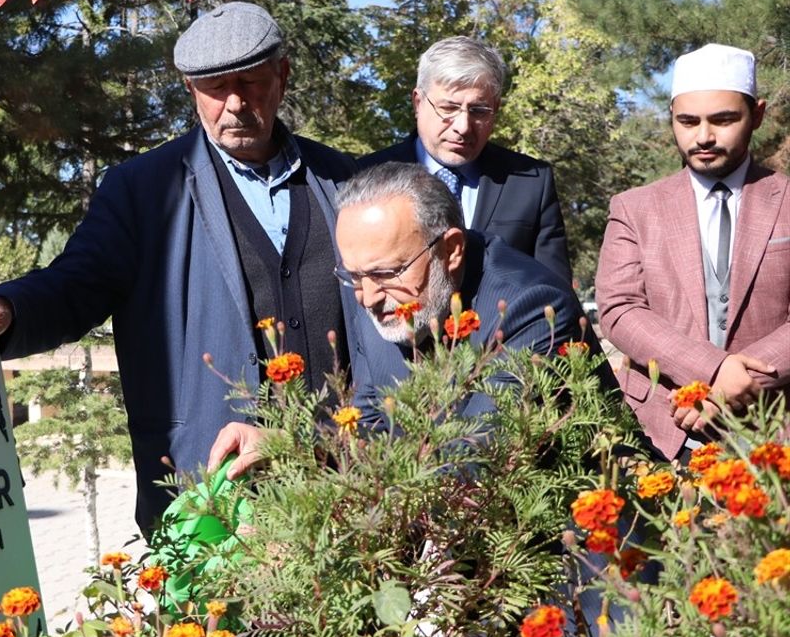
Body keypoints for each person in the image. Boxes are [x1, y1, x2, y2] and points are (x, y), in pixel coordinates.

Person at [0, 2, 358, 533]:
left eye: (251, 82)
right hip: (208, 490)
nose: (235, 104)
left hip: (340, 480)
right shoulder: (142, 190)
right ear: (189, 89)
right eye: (214, 88)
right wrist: (6, 308)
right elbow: (77, 283)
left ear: (283, 74)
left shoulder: (343, 180)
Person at [210, 161, 595, 475]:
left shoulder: (530, 308)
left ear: (452, 250)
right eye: (354, 275)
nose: (368, 297)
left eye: (386, 273)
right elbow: (371, 431)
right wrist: (290, 445)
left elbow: (474, 463)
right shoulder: (376, 300)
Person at [596, 43, 790, 462]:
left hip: (773, 429)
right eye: (687, 121)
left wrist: (735, 384)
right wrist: (712, 372)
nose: (703, 136)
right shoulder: (634, 208)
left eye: (723, 120)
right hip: (661, 431)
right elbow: (619, 308)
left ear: (756, 115)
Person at [356, 36, 572, 284]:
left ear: (496, 109)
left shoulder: (530, 183)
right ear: (418, 103)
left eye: (479, 111)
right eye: (448, 108)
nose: (463, 127)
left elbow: (555, 292)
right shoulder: (367, 177)